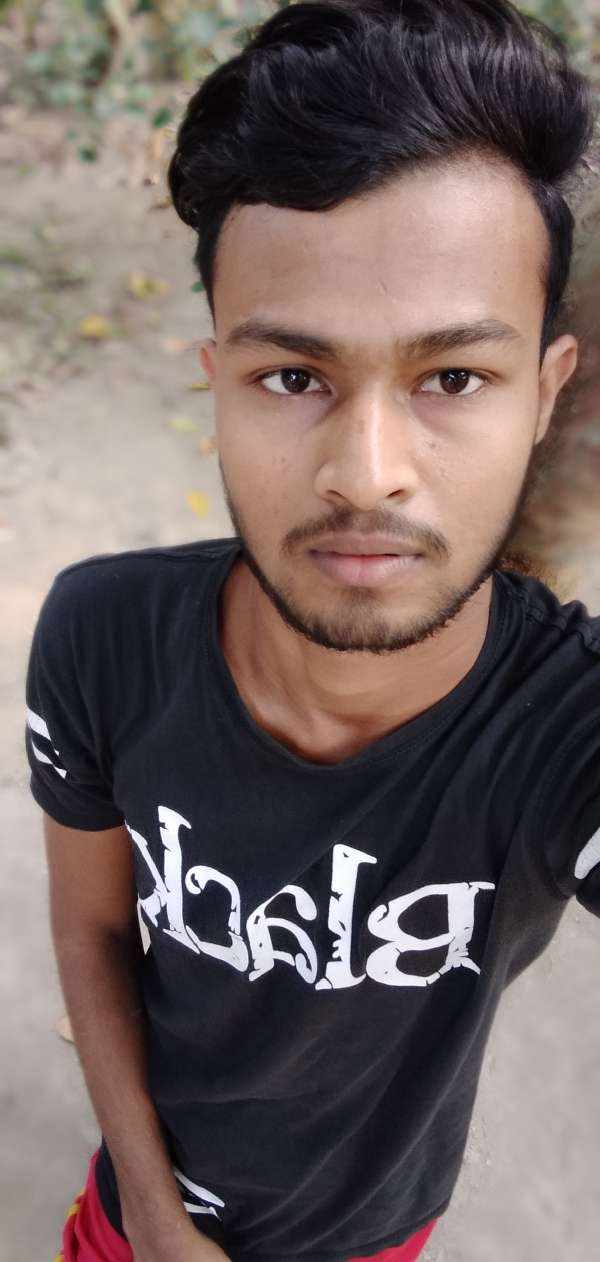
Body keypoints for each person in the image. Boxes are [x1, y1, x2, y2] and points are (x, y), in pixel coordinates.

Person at [25, 1, 599, 1259]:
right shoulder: (100, 637)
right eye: (292, 376)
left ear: (543, 394)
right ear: (217, 382)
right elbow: (93, 926)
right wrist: (154, 1214)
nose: (366, 471)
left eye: (454, 377)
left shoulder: (567, 729)